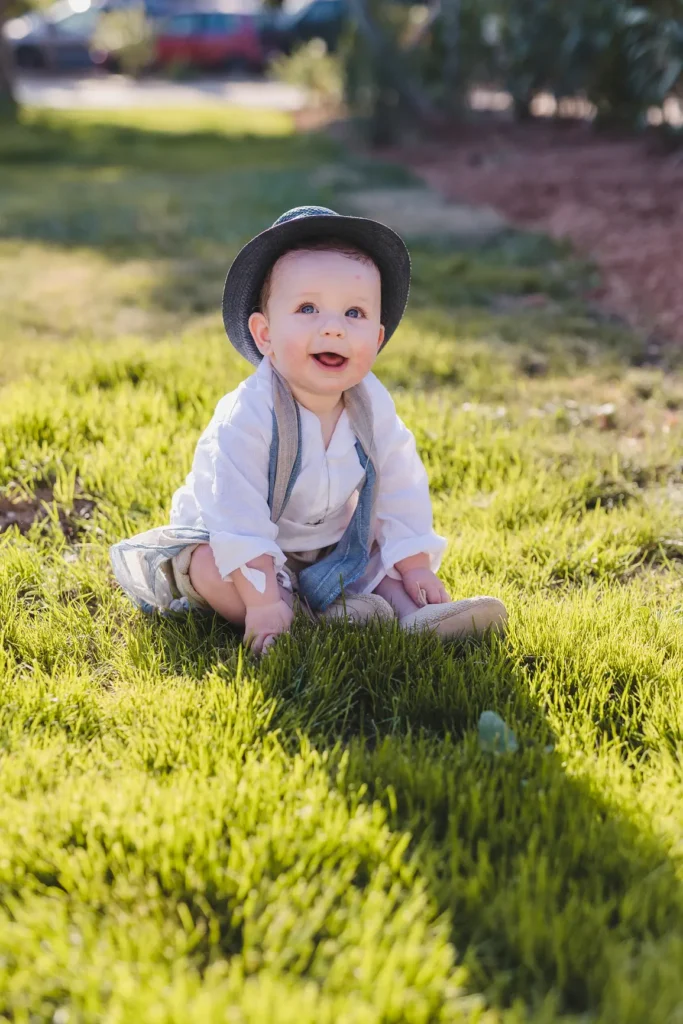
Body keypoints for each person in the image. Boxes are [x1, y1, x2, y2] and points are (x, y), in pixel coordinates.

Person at [110, 205, 508, 654]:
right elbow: (235, 514)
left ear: (376, 339)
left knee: (383, 556)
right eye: (307, 308)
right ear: (264, 334)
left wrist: (415, 566)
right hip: (239, 546)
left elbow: (401, 485)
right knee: (209, 569)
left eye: (354, 313)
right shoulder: (249, 414)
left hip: (331, 548)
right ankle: (299, 613)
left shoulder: (371, 405)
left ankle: (413, 614)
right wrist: (261, 601)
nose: (333, 328)